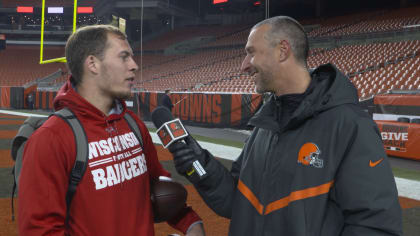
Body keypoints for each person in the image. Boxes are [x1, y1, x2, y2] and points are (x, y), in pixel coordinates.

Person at [167, 16, 402, 235]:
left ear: (282, 51)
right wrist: (200, 166)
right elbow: (237, 202)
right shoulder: (265, 125)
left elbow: (374, 225)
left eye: (251, 53)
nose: (244, 65)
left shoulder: (349, 125)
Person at [18, 25, 205, 236]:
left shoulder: (133, 124)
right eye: (124, 57)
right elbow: (40, 230)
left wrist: (190, 223)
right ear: (93, 64)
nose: (134, 66)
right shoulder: (51, 138)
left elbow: (159, 186)